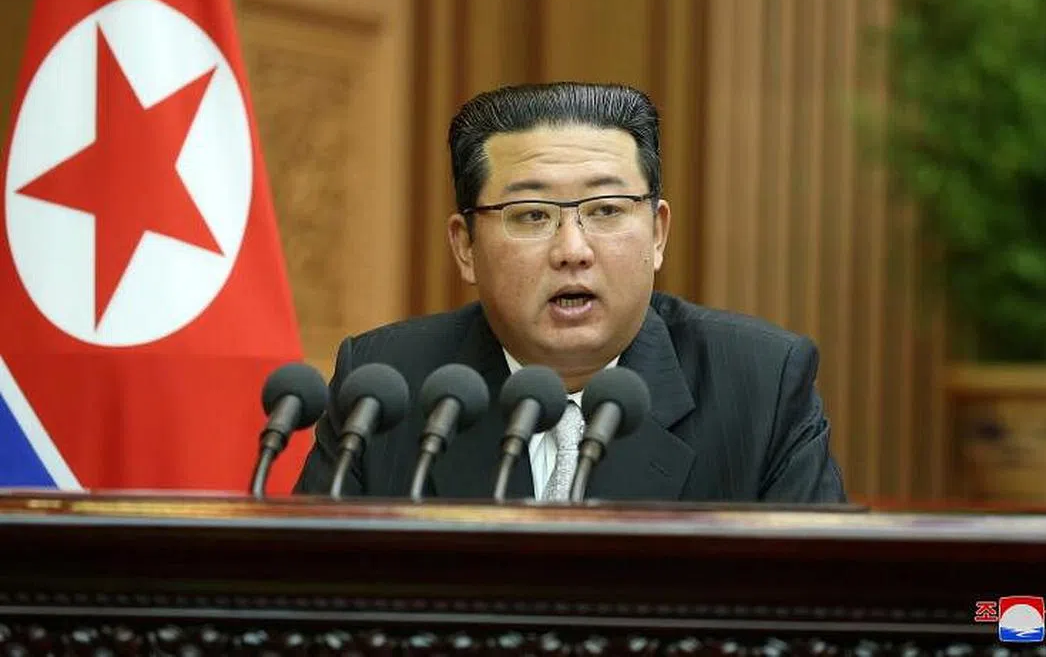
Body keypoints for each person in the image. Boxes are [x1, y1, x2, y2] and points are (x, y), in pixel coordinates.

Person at [294, 82, 845, 503]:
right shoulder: (384, 390)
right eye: (532, 215)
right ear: (465, 247)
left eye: (605, 210)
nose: (572, 250)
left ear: (657, 234)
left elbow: (815, 601)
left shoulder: (761, 385)